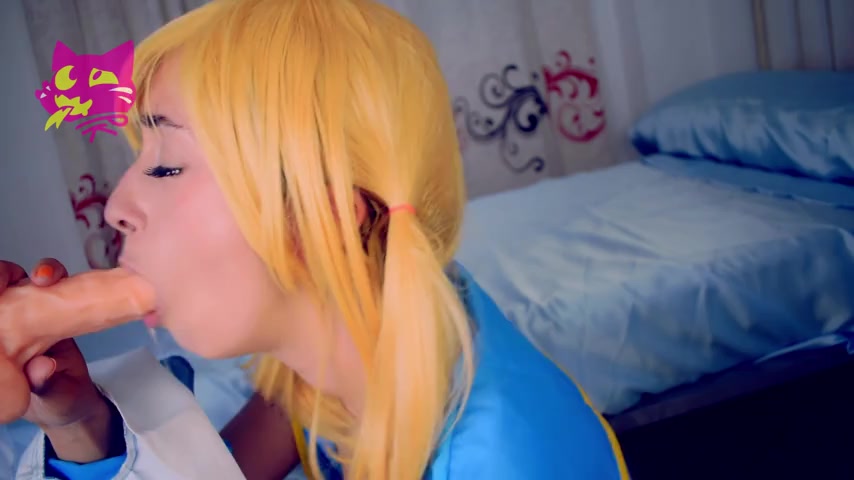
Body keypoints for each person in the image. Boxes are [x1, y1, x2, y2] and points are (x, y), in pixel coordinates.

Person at [3, 0, 630, 478]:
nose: (116, 209)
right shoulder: (343, 344)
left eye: (167, 166)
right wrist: (81, 425)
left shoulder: (505, 461)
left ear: (322, 216)